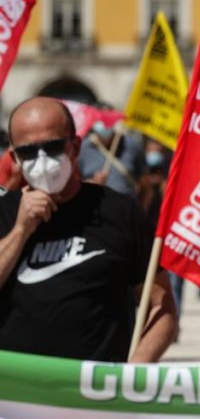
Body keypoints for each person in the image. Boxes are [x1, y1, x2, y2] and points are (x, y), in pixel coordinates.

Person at [0, 97, 176, 362]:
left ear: (75, 146)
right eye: (28, 152)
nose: (43, 160)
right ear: (14, 157)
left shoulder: (119, 212)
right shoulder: (3, 212)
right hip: (15, 393)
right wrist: (21, 230)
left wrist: (135, 372)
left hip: (93, 393)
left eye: (53, 146)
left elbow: (162, 307)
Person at [78, 113, 144, 197]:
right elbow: (74, 183)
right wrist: (93, 182)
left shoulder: (131, 145)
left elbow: (144, 183)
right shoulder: (83, 148)